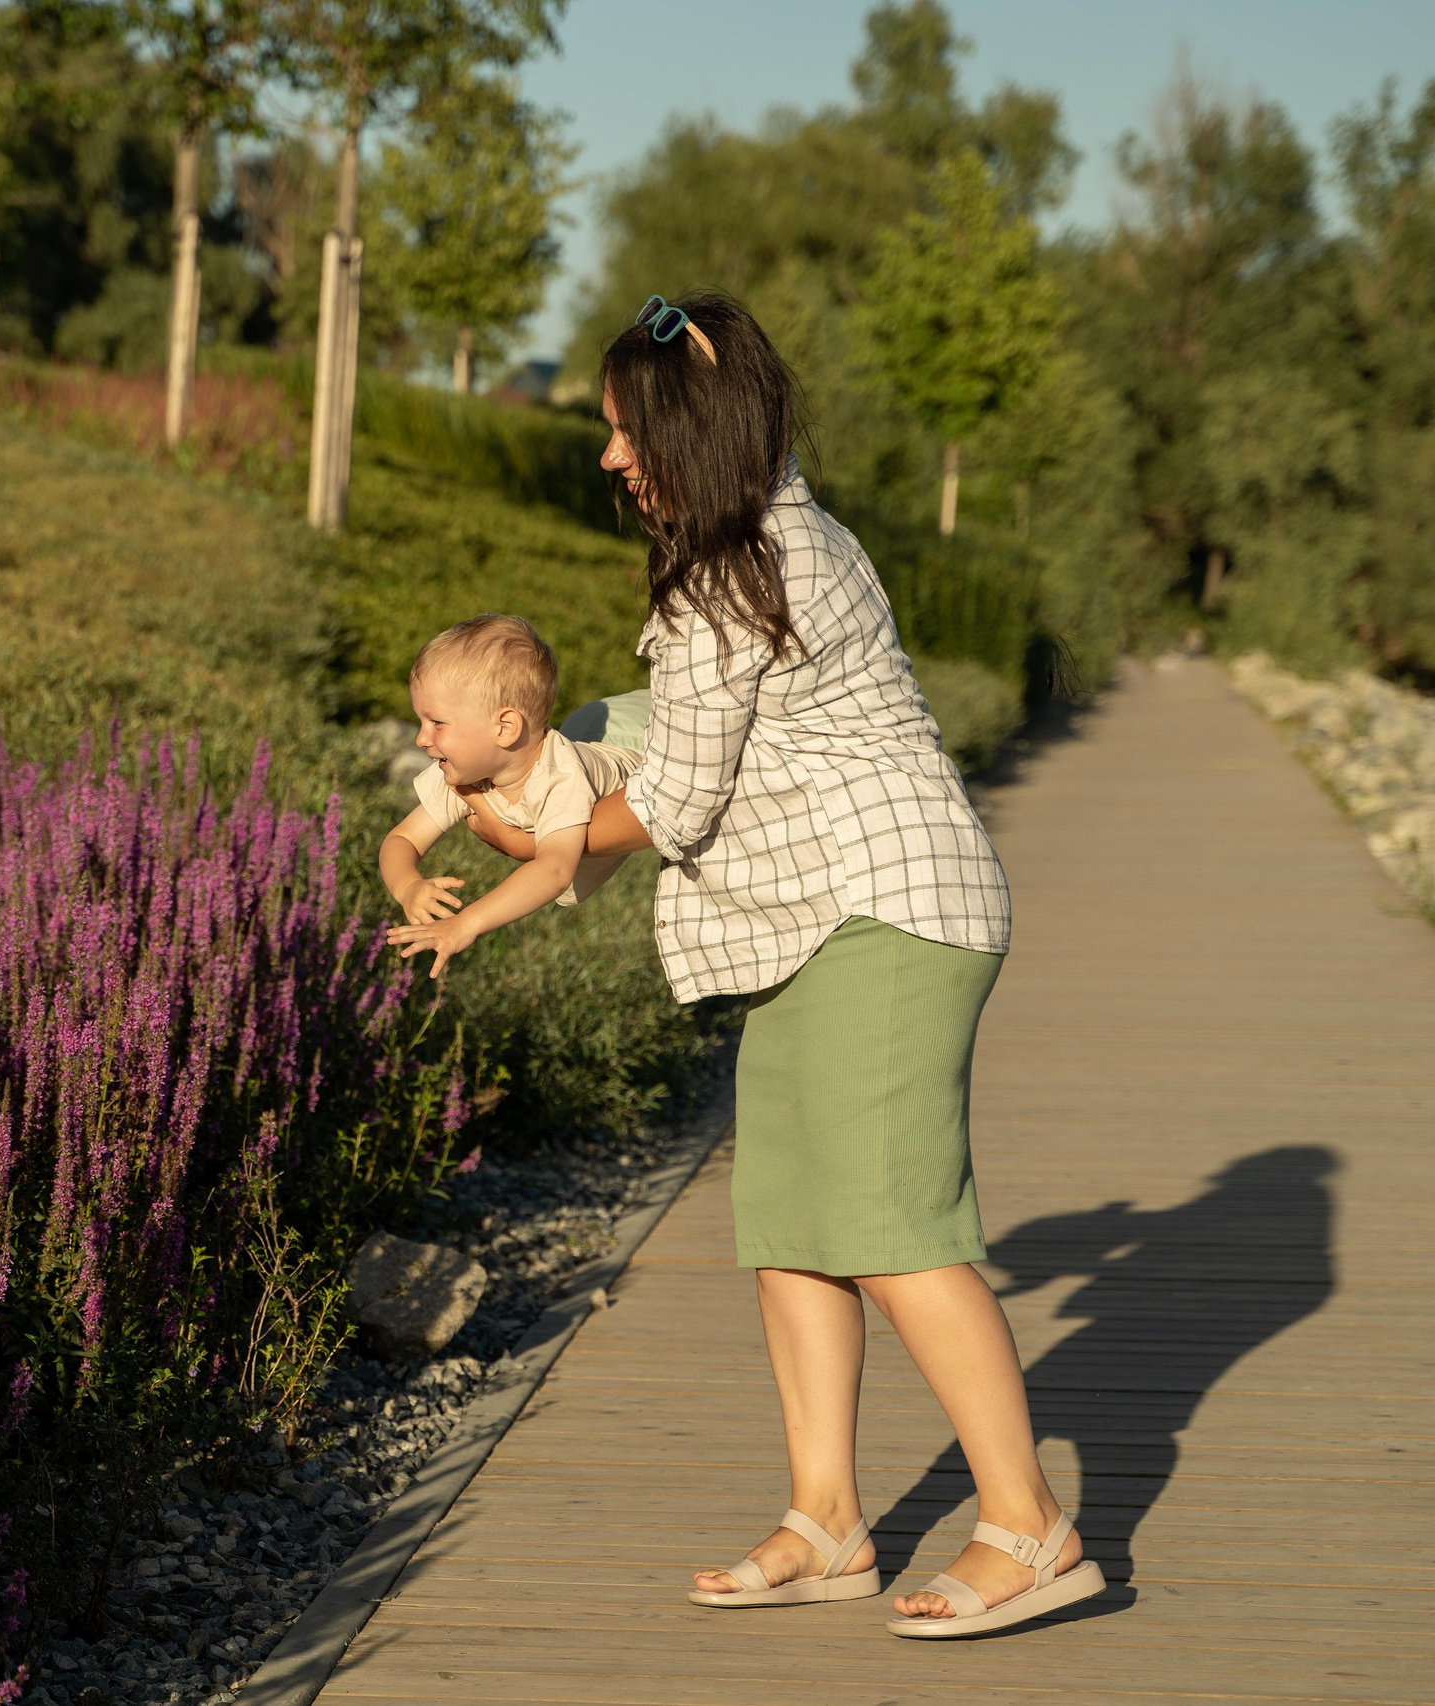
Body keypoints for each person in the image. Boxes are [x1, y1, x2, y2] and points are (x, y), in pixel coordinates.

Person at [548, 290, 1106, 1638]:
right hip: (826, 918)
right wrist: (551, 751)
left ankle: (1032, 1530)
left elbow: (675, 796)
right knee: (796, 1226)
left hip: (886, 915)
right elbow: (682, 728)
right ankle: (828, 1520)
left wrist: (532, 832)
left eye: (627, 432)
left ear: (693, 427)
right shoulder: (762, 544)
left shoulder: (741, 570)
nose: (611, 458)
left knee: (899, 1230)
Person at [380, 615, 642, 975]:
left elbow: (553, 869)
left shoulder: (559, 777)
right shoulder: (462, 769)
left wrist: (464, 924)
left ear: (504, 728)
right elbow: (402, 838)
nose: (421, 739)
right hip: (595, 739)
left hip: (644, 742)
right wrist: (408, 886)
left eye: (437, 723)